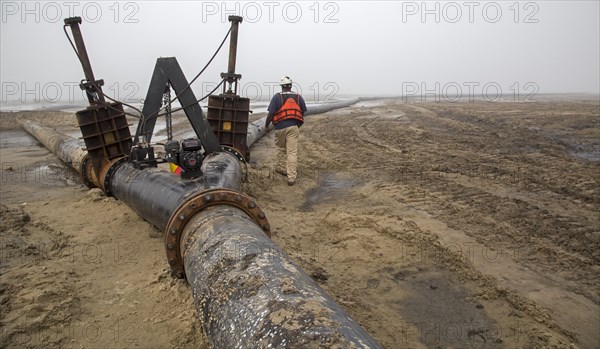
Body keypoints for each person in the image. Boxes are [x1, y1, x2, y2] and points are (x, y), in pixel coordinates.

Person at [265, 76, 308, 186]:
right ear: (291, 86)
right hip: (293, 127)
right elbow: (303, 111)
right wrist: (297, 123)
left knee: (280, 148)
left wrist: (266, 126)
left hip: (279, 128)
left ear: (282, 86)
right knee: (292, 152)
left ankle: (281, 168)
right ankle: (291, 178)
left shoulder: (276, 97)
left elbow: (271, 114)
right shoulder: (298, 97)